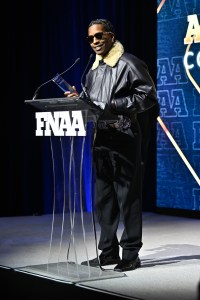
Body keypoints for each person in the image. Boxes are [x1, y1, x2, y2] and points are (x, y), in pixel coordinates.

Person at [65, 19, 159, 272]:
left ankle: (131, 253)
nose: (94, 41)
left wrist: (113, 106)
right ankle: (107, 253)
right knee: (103, 199)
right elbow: (94, 103)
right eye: (90, 38)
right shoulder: (92, 71)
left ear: (111, 36)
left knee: (128, 198)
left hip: (125, 135)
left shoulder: (128, 62)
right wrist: (78, 99)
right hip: (102, 138)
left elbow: (148, 96)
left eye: (98, 36)